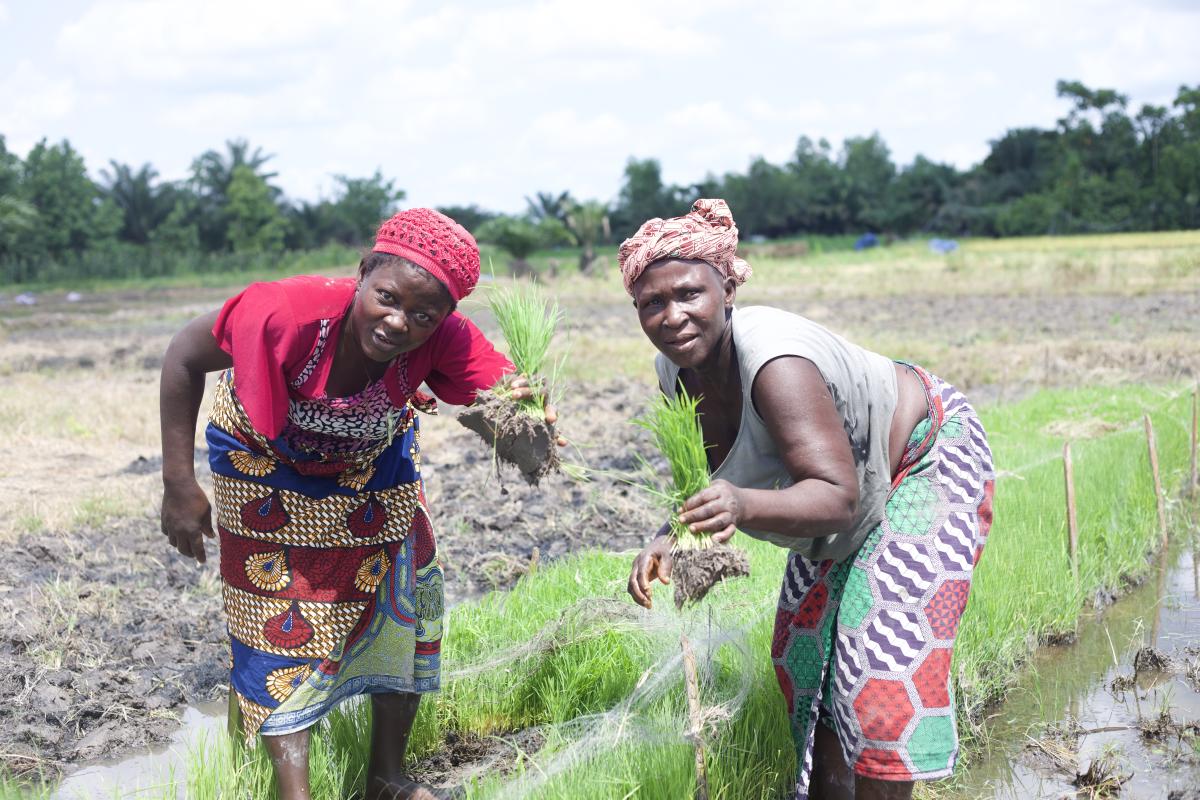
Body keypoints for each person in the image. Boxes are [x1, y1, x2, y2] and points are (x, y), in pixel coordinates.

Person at [159, 208, 552, 800]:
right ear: (364, 273)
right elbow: (183, 357)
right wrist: (178, 485)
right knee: (274, 628)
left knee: (408, 598)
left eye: (423, 315)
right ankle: (296, 793)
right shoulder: (287, 313)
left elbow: (507, 411)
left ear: (444, 317)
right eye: (387, 297)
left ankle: (386, 780)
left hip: (370, 466)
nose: (399, 323)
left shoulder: (446, 338)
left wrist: (529, 418)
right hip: (263, 465)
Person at [622, 200, 994, 800]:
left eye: (689, 294)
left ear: (726, 288)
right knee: (807, 658)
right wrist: (670, 535)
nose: (672, 317)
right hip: (845, 487)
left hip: (919, 461)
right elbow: (697, 483)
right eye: (651, 304)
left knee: (877, 663)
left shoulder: (776, 364)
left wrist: (740, 505)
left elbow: (837, 497)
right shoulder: (674, 374)